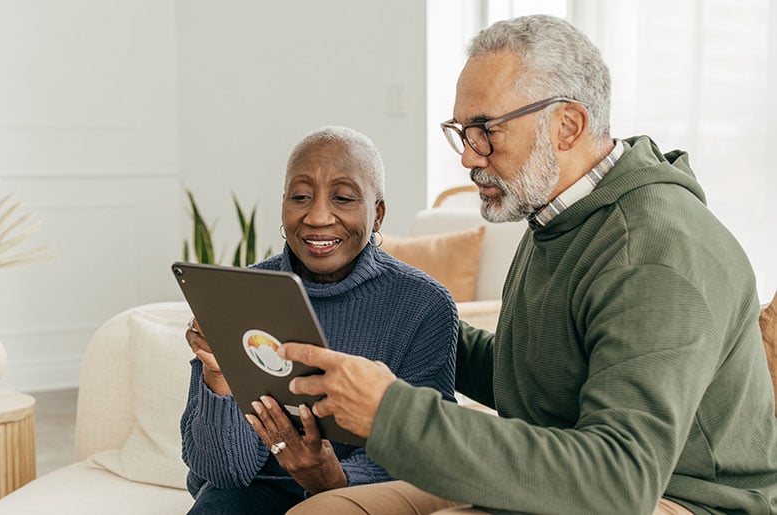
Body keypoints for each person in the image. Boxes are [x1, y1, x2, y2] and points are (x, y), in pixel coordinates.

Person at [279, 15, 777, 515]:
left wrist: (390, 413)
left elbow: (618, 480)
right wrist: (393, 315)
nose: (469, 158)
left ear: (567, 126)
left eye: (486, 131)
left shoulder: (654, 251)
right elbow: (542, 380)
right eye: (462, 132)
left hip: (674, 497)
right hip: (555, 469)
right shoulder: (561, 215)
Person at [180, 125, 458, 514]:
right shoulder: (241, 295)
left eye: (343, 198)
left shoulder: (422, 304)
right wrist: (218, 377)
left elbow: (427, 454)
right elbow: (222, 472)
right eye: (300, 197)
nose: (318, 216)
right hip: (250, 494)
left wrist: (333, 477)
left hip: (358, 496)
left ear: (377, 214)